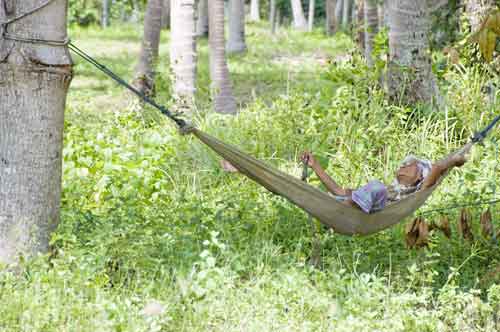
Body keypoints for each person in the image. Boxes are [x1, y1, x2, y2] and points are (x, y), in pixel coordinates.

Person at [300, 150, 468, 213]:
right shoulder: (386, 190)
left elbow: (437, 167)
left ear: (419, 177)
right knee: (375, 187)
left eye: (410, 166)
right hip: (358, 204)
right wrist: (315, 165)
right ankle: (341, 207)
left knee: (377, 186)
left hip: (379, 208)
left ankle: (341, 209)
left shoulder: (418, 190)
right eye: (403, 165)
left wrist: (454, 161)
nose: (403, 167)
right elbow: (337, 190)